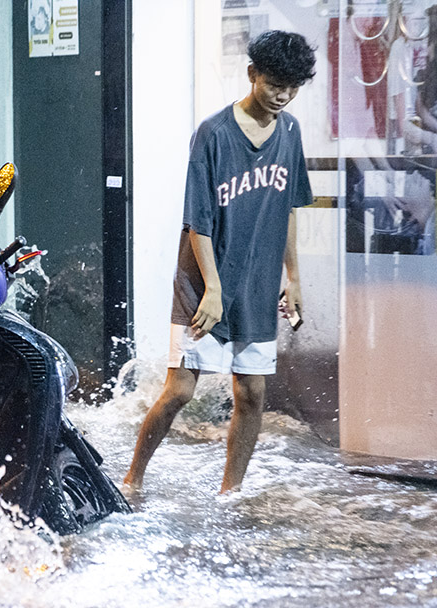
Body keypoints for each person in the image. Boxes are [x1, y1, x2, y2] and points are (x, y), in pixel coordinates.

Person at [124, 30, 316, 495]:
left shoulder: (289, 131)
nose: (284, 96)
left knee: (252, 394)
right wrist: (212, 288)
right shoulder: (213, 134)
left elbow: (287, 208)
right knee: (181, 391)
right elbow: (199, 222)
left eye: (293, 87)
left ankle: (230, 493)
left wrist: (293, 277)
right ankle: (132, 478)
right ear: (253, 75)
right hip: (204, 281)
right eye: (275, 84)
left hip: (257, 283)